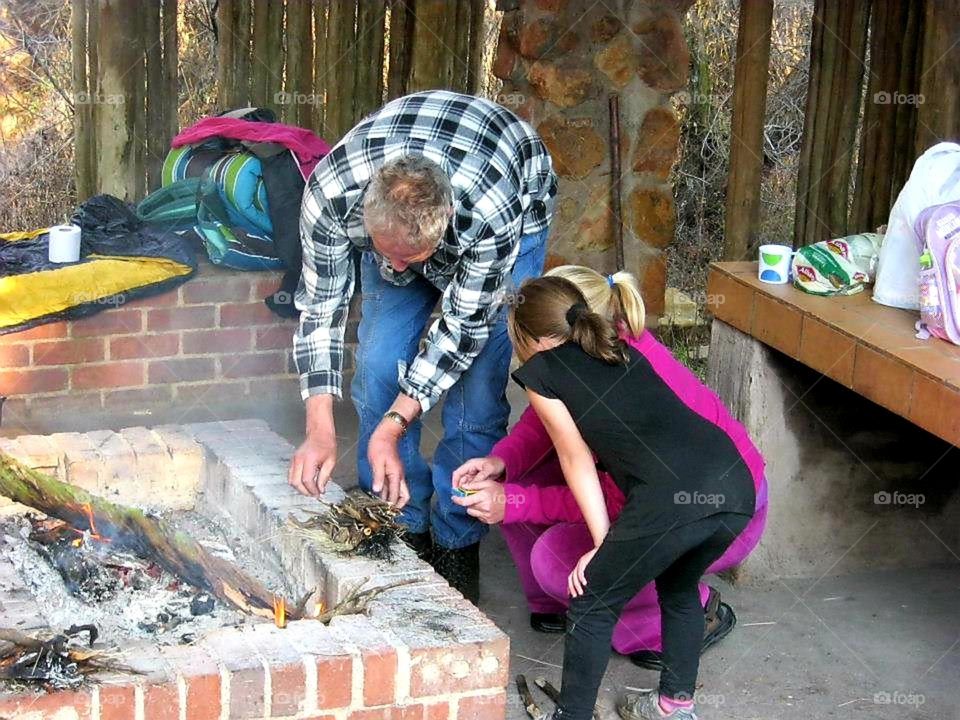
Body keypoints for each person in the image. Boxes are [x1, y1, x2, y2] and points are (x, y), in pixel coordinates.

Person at [287, 90, 556, 603]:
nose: (402, 271)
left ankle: (456, 539)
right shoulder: (331, 193)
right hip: (403, 211)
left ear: (445, 226)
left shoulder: (489, 212)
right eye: (391, 255)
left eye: (417, 258)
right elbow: (322, 309)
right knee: (377, 368)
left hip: (520, 198)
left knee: (474, 393)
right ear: (368, 214)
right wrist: (319, 428)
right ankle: (397, 525)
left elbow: (458, 334)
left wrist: (398, 421)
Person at [453, 267, 767, 670]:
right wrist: (501, 462)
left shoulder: (629, 388)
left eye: (526, 350)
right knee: (520, 478)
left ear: (551, 341)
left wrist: (514, 503)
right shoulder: (599, 348)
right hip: (672, 495)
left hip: (716, 514)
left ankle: (673, 616)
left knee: (556, 562)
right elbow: (544, 422)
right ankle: (561, 602)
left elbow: (621, 506)